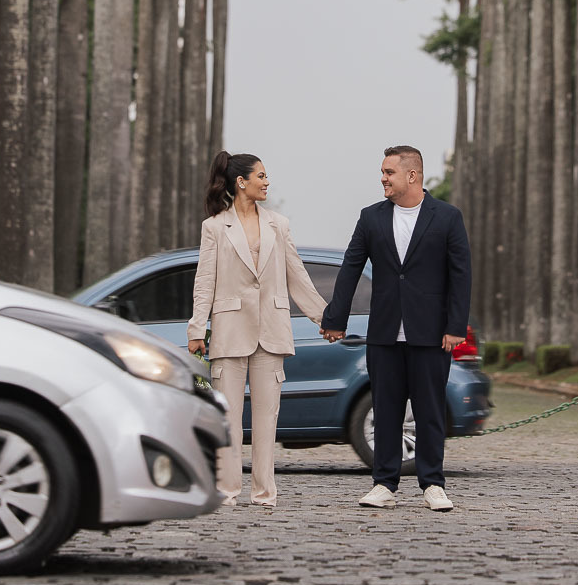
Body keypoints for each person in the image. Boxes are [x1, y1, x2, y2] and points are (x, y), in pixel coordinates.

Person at [321, 145, 471, 511]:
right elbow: (351, 267)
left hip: (432, 334)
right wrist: (335, 319)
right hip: (384, 333)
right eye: (383, 172)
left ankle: (433, 485)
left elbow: (461, 275)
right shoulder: (370, 218)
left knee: (430, 411)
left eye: (389, 172)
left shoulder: (447, 217)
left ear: (412, 175)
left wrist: (455, 326)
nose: (383, 178)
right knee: (385, 410)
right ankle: (383, 484)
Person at [189, 151, 327, 509]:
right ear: (241, 182)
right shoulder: (214, 227)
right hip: (229, 330)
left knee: (267, 418)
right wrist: (196, 328)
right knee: (228, 417)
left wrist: (324, 319)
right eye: (261, 176)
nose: (267, 182)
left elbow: (297, 276)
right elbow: (204, 281)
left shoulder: (279, 225)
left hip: (271, 330)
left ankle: (265, 493)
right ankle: (227, 490)